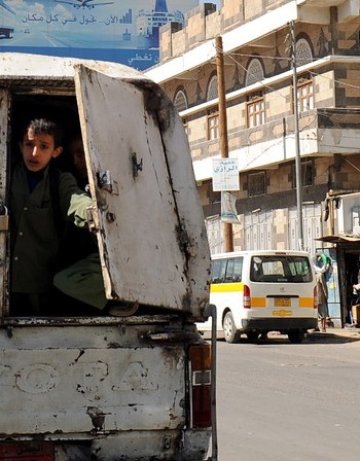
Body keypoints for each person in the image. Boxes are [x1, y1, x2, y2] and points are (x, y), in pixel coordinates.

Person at [10, 118, 93, 315]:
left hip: (42, 286)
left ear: (56, 152)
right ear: (20, 147)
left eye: (44, 146)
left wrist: (92, 212)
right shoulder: (8, 175)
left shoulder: (61, 181)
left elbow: (76, 200)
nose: (34, 153)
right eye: (29, 144)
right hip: (7, 283)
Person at [53, 132, 138, 317]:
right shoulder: (68, 179)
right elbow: (74, 199)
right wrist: (91, 212)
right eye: (75, 155)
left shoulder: (116, 178)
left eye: (83, 153)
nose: (79, 161)